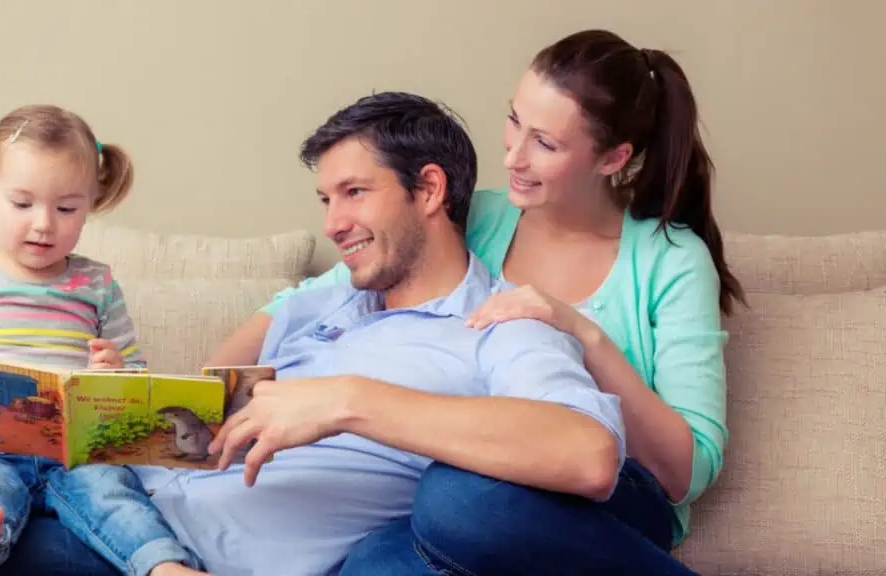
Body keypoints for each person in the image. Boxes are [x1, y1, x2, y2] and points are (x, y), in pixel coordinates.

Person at [0, 92, 625, 575]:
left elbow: (587, 457)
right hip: (111, 493)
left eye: (354, 193)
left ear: (429, 189)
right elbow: (162, 413)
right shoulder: (320, 303)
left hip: (171, 556)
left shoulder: (499, 325)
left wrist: (349, 401)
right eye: (326, 198)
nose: (333, 225)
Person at [208, 29, 745, 574]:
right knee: (376, 558)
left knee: (459, 499)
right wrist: (208, 395)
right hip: (468, 471)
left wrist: (581, 332)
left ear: (613, 158)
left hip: (610, 501)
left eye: (546, 143)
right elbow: (304, 299)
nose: (513, 156)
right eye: (514, 121)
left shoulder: (670, 261)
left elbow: (684, 474)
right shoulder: (483, 217)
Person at [0, 105, 204, 576]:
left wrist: (117, 372)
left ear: (91, 205)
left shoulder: (98, 284)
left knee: (111, 493)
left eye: (66, 208)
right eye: (23, 203)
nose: (44, 224)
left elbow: (137, 377)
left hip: (74, 455)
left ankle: (164, 566)